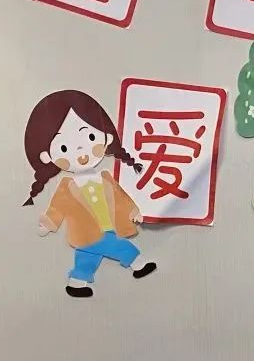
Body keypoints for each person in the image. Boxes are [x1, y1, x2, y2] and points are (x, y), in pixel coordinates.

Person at [22, 90, 156, 298]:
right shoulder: (67, 185)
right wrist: (49, 222)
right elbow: (57, 206)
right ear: (47, 156)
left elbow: (121, 197)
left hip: (107, 226)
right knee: (116, 246)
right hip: (88, 231)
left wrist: (133, 211)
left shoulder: (105, 177)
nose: (81, 153)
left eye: (91, 137)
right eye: (64, 148)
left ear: (106, 137)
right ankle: (138, 263)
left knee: (86, 258)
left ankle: (77, 282)